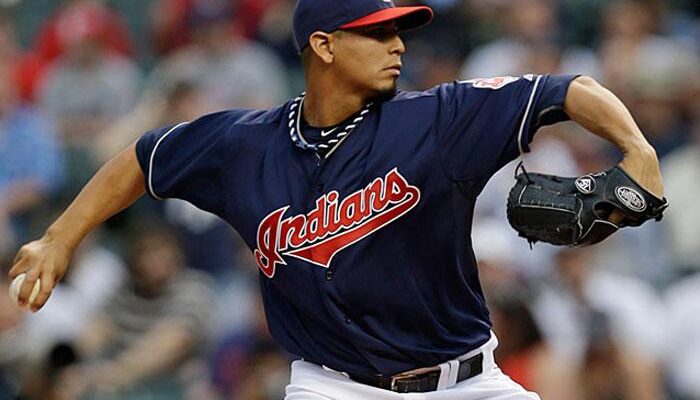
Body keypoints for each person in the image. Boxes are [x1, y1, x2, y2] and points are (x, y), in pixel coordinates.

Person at [10, 0, 665, 399]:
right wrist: (61, 237)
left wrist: (638, 151)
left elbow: (564, 89)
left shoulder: (439, 119)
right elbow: (143, 159)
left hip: (465, 381)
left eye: (397, 31)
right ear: (323, 45)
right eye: (376, 33)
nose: (398, 44)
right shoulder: (243, 144)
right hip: (333, 387)